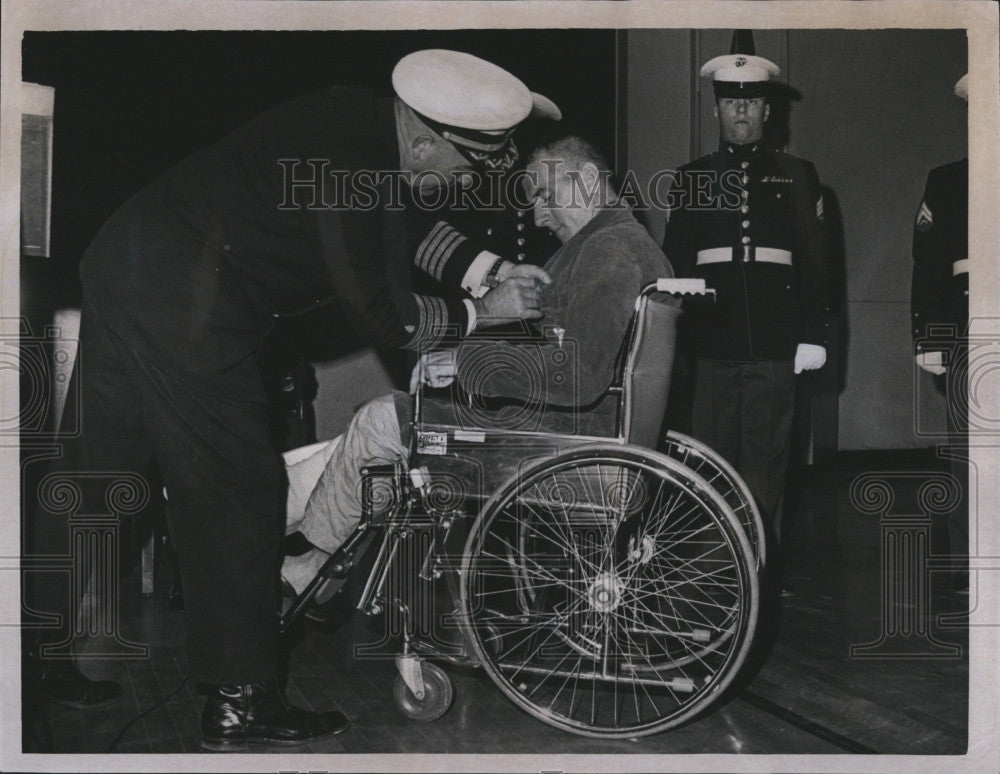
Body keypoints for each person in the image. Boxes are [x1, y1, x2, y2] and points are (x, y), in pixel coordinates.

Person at [23, 49, 558, 751]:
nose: (467, 185)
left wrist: (492, 269)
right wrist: (479, 314)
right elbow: (380, 314)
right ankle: (240, 701)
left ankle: (29, 662)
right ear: (425, 137)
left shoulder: (363, 133)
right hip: (183, 296)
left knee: (96, 477)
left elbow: (411, 232)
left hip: (131, 263)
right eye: (469, 167)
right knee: (240, 485)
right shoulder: (347, 162)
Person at [280, 133, 672, 588]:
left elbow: (578, 374)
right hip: (567, 427)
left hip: (557, 440)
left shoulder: (609, 250)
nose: (540, 217)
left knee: (378, 422)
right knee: (381, 432)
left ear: (587, 179)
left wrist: (464, 363)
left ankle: (310, 567)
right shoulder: (615, 243)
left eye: (545, 196)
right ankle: (310, 557)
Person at [661, 53, 830, 579]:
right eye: (730, 101)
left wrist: (814, 334)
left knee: (767, 462)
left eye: (751, 101)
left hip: (777, 343)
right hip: (711, 341)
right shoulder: (690, 179)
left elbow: (817, 262)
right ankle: (718, 575)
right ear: (716, 110)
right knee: (711, 462)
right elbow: (674, 266)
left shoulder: (799, 177)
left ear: (766, 110)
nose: (741, 110)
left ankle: (759, 572)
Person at [910, 73, 969, 595]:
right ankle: (966, 561)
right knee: (966, 453)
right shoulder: (948, 180)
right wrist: (927, 337)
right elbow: (927, 264)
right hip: (969, 332)